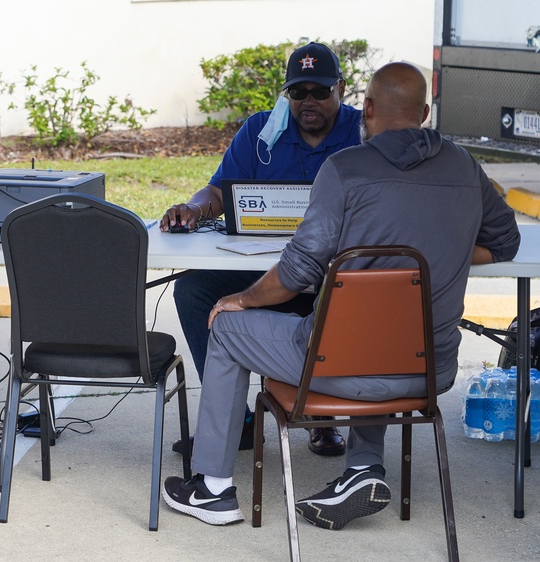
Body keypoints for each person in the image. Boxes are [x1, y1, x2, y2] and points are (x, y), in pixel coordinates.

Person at [161, 62, 520, 529]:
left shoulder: (345, 169)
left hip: (340, 368)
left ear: (365, 108)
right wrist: (439, 248)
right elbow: (505, 242)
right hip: (430, 370)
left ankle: (212, 489)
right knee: (382, 323)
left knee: (226, 325)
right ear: (425, 113)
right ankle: (362, 469)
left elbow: (298, 270)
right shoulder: (465, 168)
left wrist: (244, 300)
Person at [161, 42, 360, 456]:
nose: (308, 102)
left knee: (339, 295)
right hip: (267, 270)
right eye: (297, 92)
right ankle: (240, 422)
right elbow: (218, 189)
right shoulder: (260, 130)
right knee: (193, 290)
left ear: (340, 88)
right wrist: (195, 208)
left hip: (332, 275)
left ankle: (322, 417)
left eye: (320, 92)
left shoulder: (362, 133)